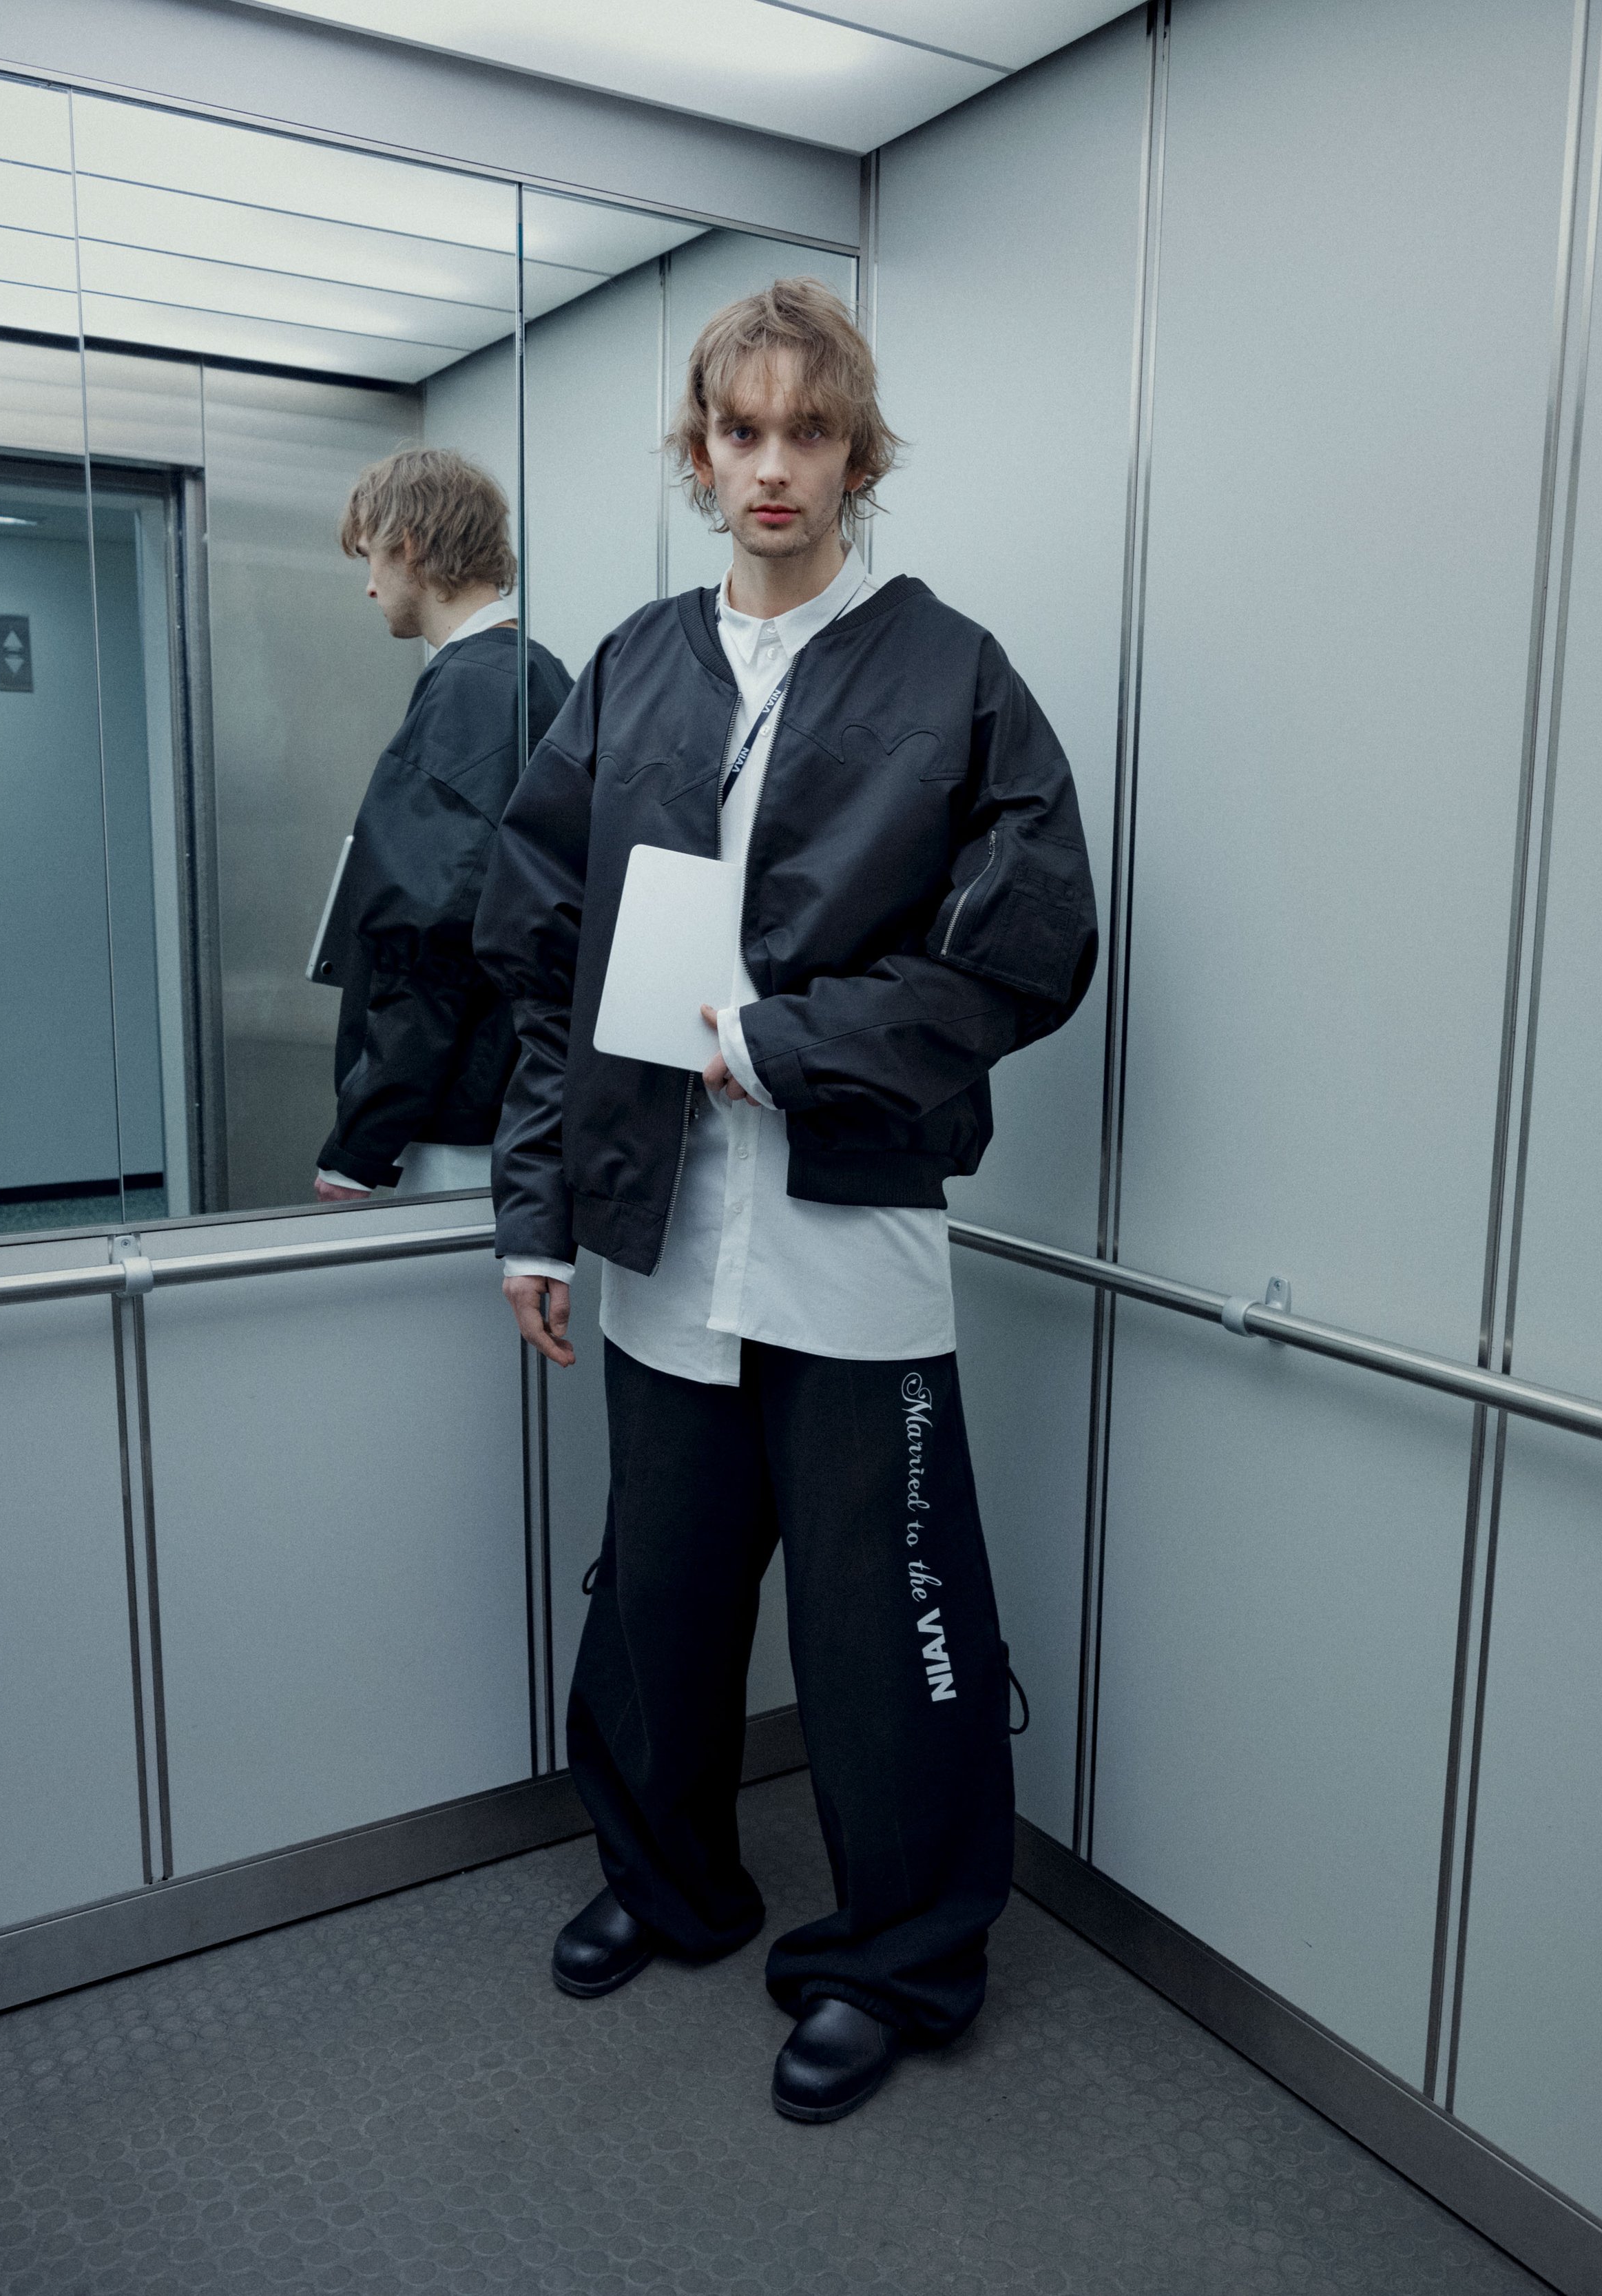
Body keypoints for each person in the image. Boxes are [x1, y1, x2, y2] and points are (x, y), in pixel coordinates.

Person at [475, 279, 1099, 2122]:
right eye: (737, 431)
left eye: (805, 431)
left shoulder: (949, 671)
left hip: (847, 1239)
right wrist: (530, 1215)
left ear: (855, 453)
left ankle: (895, 1957)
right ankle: (667, 1879)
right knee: (655, 1595)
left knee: (881, 1615)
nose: (771, 465)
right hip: (657, 1233)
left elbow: (1030, 943)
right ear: (697, 452)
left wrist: (788, 1040)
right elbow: (543, 961)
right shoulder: (630, 666)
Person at [313, 447, 573, 1204]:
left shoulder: (469, 694)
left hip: (451, 1123)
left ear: (411, 547)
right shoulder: (536, 673)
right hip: (504, 1100)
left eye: (370, 558)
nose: (369, 586)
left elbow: (427, 950)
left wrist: (357, 1148)